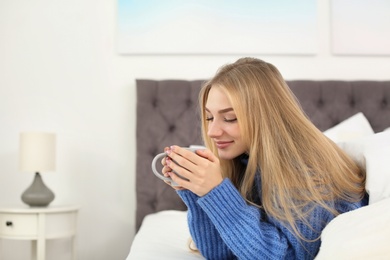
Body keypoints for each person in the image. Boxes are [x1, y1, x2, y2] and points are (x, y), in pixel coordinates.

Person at [161, 57, 368, 259]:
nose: (213, 131)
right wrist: (198, 191)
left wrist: (216, 192)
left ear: (264, 118)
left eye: (230, 118)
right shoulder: (246, 161)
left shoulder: (305, 170)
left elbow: (286, 256)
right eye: (209, 117)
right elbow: (220, 254)